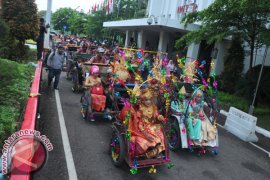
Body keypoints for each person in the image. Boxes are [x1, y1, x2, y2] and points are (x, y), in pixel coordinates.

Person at [119, 88, 166, 159]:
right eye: (136, 98)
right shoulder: (129, 109)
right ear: (132, 98)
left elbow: (155, 115)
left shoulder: (146, 107)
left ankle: (155, 151)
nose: (138, 101)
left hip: (147, 127)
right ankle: (148, 153)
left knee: (159, 133)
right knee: (143, 141)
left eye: (139, 99)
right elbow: (131, 125)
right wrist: (144, 133)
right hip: (135, 130)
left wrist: (160, 117)